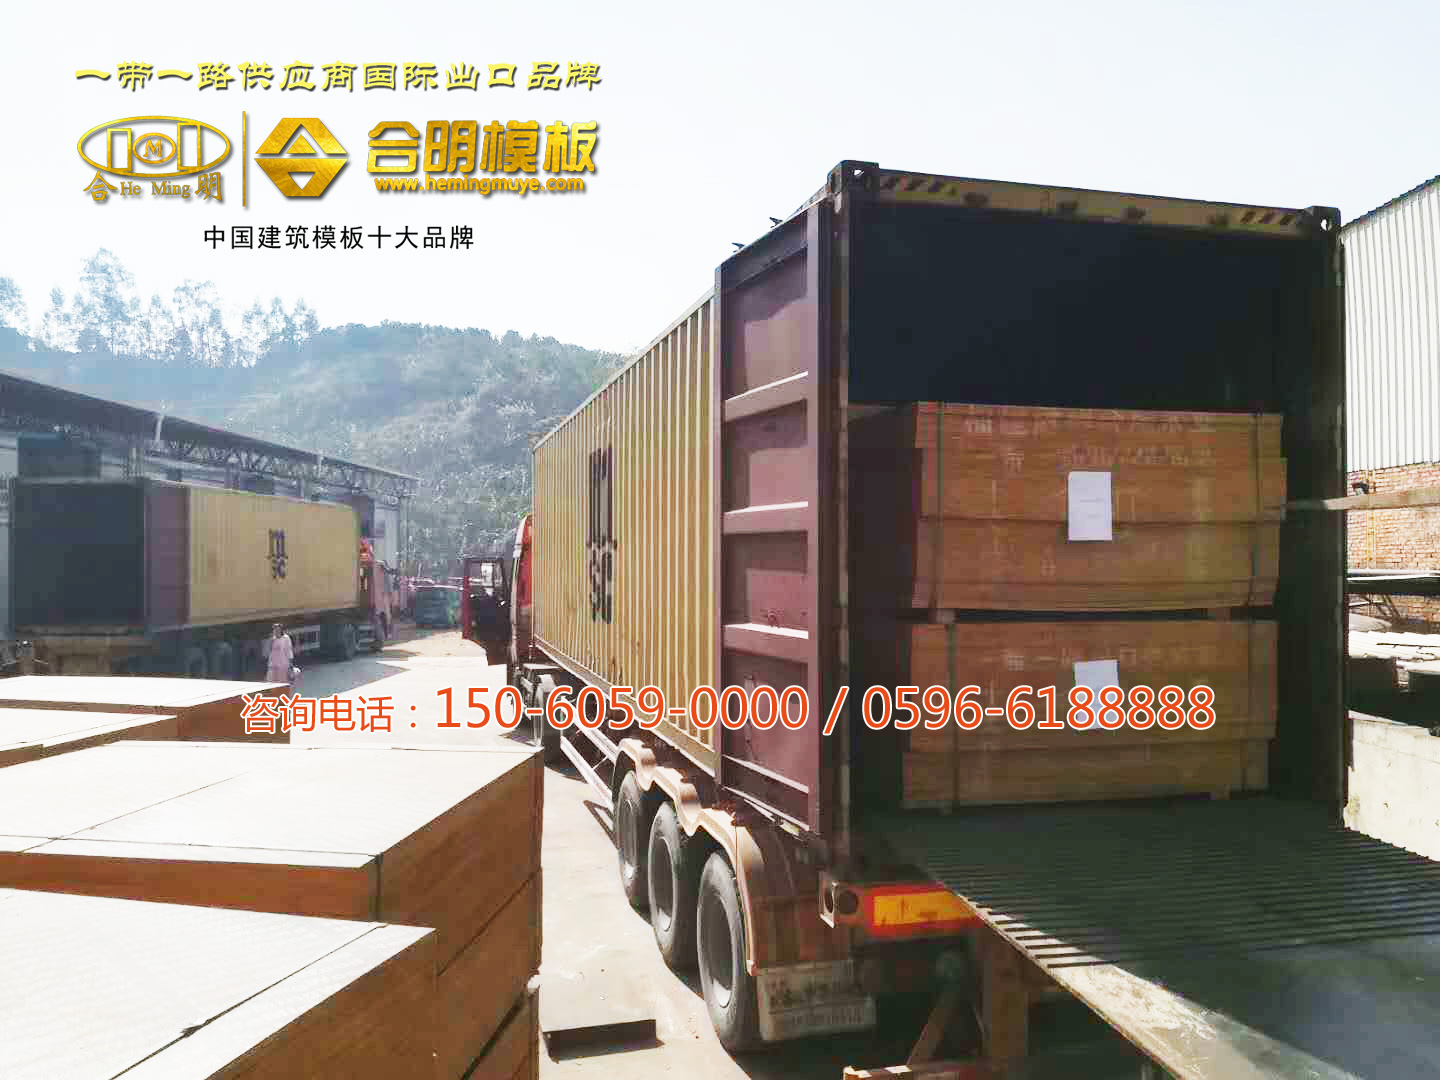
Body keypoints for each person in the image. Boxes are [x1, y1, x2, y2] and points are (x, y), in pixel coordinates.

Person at [266, 623, 294, 687]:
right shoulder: (272, 639)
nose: (276, 631)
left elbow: (289, 650)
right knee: (271, 681)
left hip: (283, 664)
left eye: (278, 629)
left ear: (281, 630)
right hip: (273, 664)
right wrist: (271, 641)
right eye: (274, 629)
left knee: (283, 682)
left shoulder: (286, 638)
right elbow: (268, 651)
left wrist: (290, 663)